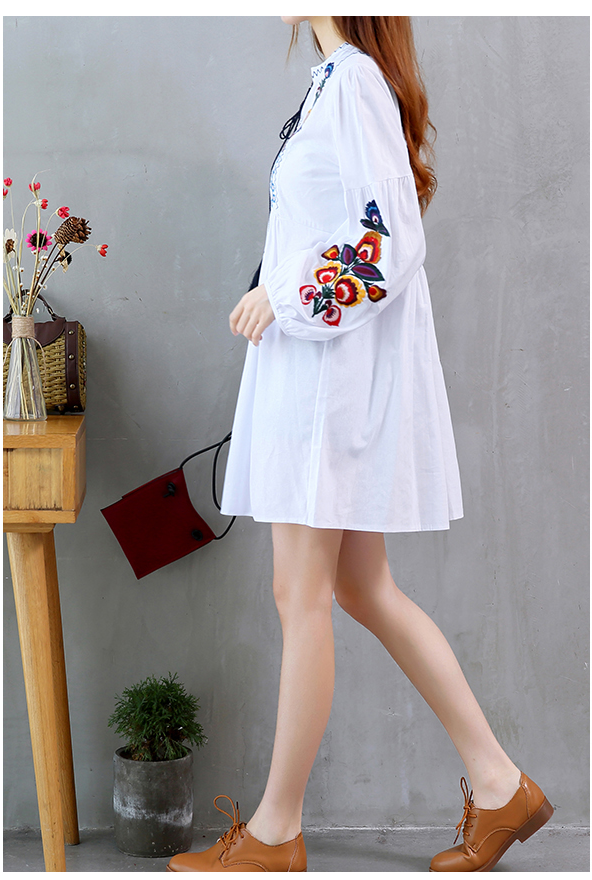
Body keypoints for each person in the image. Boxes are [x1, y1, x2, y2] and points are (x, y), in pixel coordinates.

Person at [166, 16, 552, 873]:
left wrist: (287, 293)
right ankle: (500, 785)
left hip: (327, 390)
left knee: (301, 595)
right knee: (361, 588)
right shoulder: (334, 84)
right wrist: (284, 285)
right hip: (321, 377)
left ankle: (276, 833)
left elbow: (391, 240)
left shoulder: (354, 85)